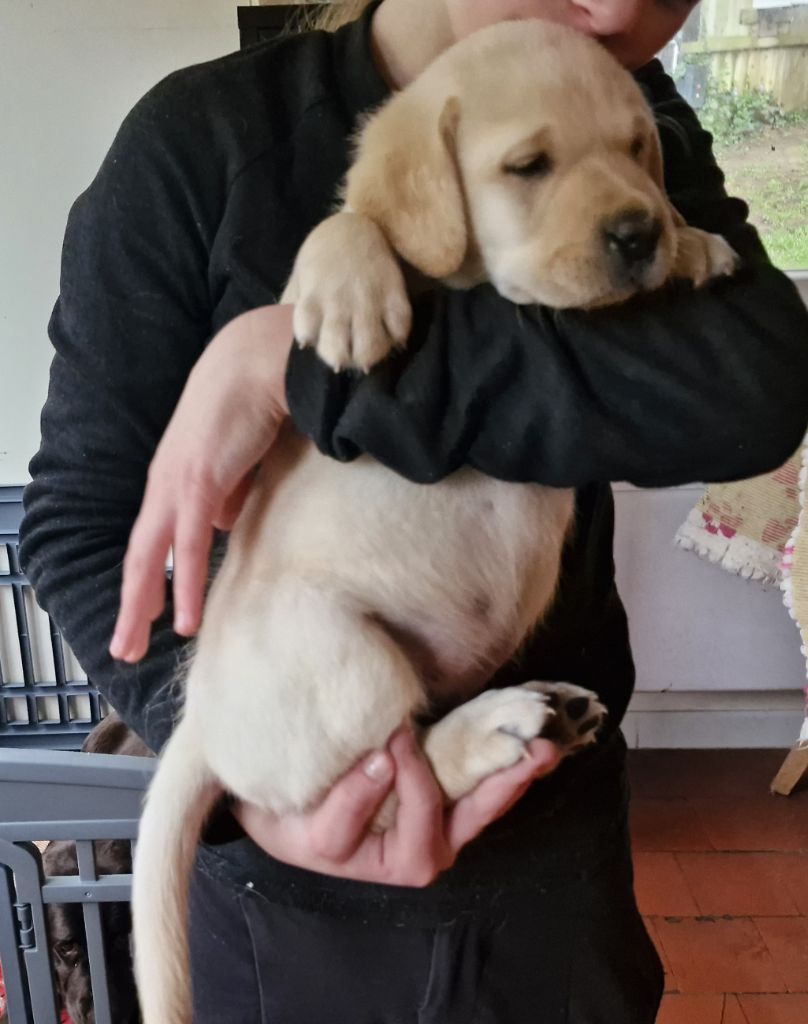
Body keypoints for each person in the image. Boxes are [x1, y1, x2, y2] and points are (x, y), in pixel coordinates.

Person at [20, 0, 808, 1020]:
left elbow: (748, 394)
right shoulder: (203, 144)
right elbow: (78, 522)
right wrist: (256, 785)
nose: (619, 8)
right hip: (285, 888)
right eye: (527, 166)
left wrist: (288, 366)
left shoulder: (626, 108)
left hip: (550, 852)